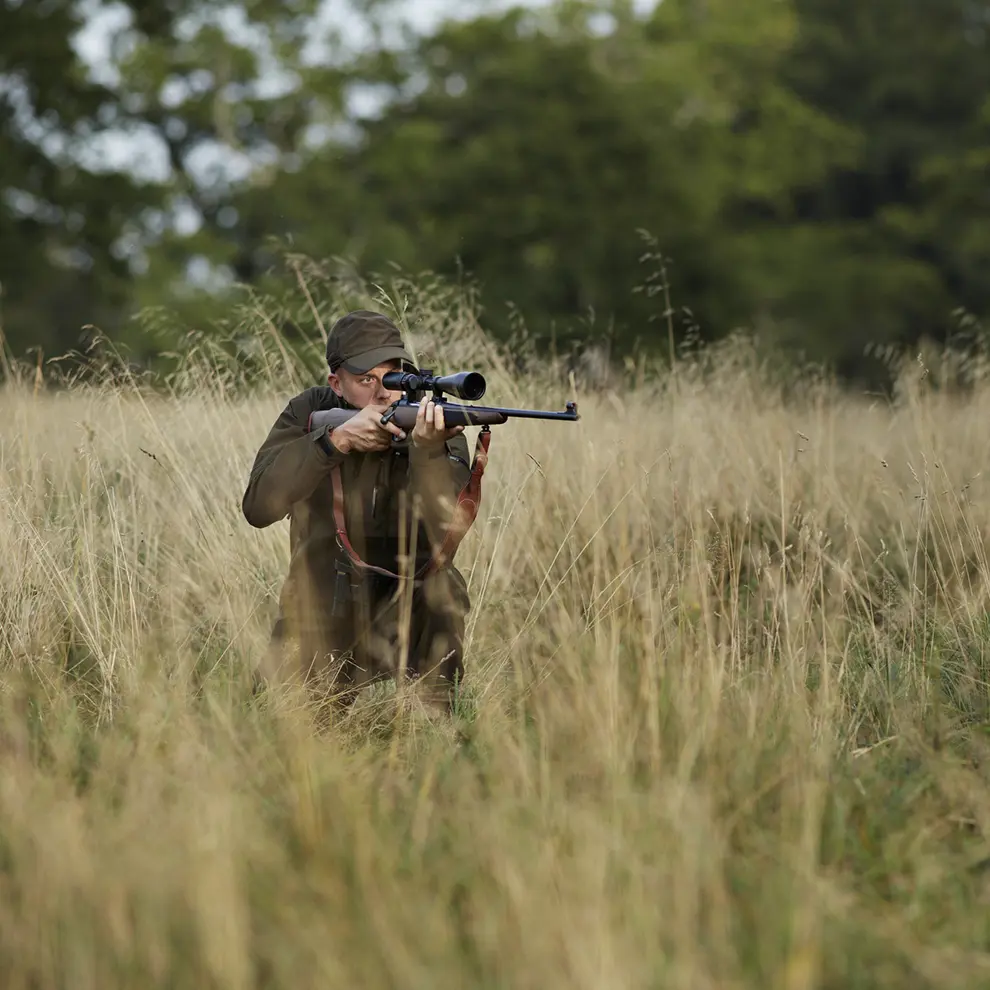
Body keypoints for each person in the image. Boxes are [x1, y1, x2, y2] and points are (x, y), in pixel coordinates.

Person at [241, 310, 477, 714]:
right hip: (322, 600)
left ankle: (437, 717)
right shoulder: (310, 411)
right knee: (276, 726)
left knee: (445, 592)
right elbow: (259, 507)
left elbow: (446, 528)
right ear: (337, 382)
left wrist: (427, 452)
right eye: (368, 379)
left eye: (394, 376)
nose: (385, 392)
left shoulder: (431, 421)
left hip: (411, 601)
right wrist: (333, 444)